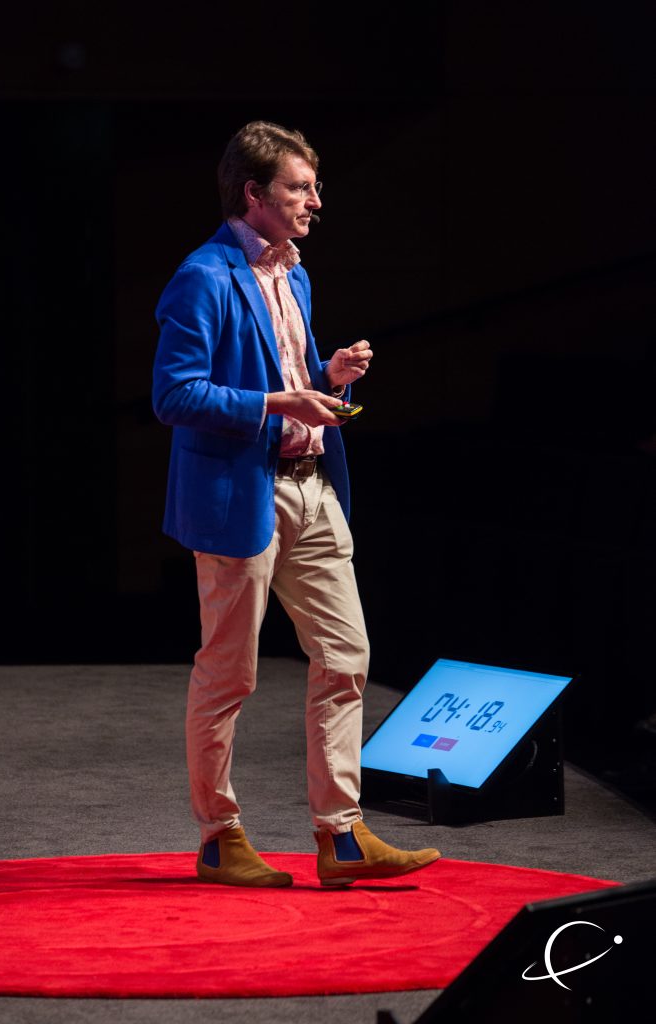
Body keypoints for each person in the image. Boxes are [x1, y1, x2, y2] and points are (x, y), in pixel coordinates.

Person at [152, 121, 440, 887]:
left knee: (346, 656)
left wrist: (330, 374)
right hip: (237, 497)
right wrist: (280, 401)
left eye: (311, 185)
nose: (315, 199)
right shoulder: (204, 276)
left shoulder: (294, 273)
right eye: (298, 187)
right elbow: (173, 393)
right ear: (254, 194)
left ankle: (340, 836)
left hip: (310, 489)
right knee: (229, 675)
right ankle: (219, 838)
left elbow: (288, 370)